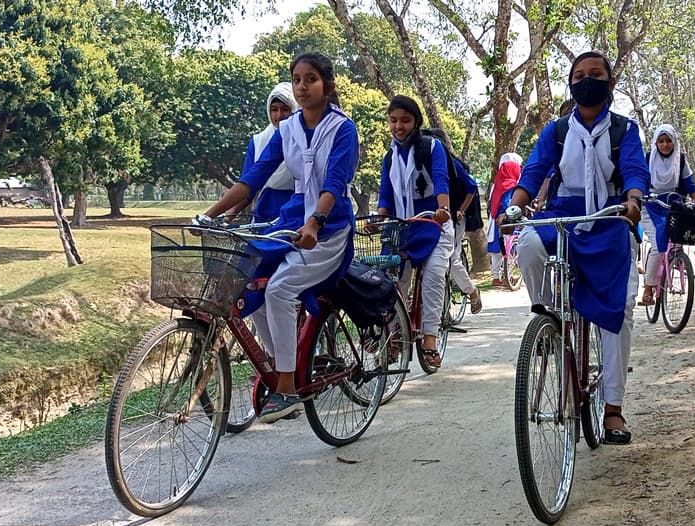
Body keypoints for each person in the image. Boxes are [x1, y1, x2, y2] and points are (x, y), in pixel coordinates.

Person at [198, 52, 359, 422]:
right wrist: (207, 215)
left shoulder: (342, 128)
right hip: (290, 220)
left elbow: (335, 182)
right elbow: (252, 179)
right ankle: (279, 361)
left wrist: (315, 223)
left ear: (327, 85)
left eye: (311, 79)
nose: (302, 87)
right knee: (250, 281)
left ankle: (286, 387)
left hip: (329, 228)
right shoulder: (286, 130)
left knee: (279, 290)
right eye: (297, 79)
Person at [505, 51, 649, 445]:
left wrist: (634, 200)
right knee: (529, 242)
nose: (587, 80)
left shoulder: (624, 130)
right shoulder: (555, 131)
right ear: (571, 84)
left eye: (596, 74)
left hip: (610, 217)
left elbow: (636, 170)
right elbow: (533, 171)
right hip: (562, 214)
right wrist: (515, 206)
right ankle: (550, 316)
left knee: (618, 311)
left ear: (610, 82)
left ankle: (613, 409)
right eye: (579, 75)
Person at [377, 96, 453, 370]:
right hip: (402, 225)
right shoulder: (389, 157)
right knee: (390, 279)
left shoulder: (433, 148)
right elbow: (385, 194)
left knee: (433, 277)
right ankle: (394, 334)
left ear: (416, 122)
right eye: (393, 120)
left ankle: (430, 337)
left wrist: (442, 208)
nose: (398, 126)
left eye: (405, 120)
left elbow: (441, 179)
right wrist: (379, 219)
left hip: (434, 222)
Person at [639, 124, 695, 305]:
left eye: (668, 141)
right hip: (650, 206)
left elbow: (691, 186)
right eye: (661, 141)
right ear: (655, 143)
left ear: (674, 142)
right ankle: (648, 287)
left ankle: (675, 261)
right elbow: (638, 182)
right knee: (658, 244)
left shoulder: (681, 161)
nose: (665, 145)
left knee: (678, 240)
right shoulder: (647, 159)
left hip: (674, 207)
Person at [225, 82, 299, 222]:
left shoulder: (302, 142)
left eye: (285, 109)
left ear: (295, 109)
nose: (279, 115)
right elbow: (248, 185)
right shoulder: (258, 141)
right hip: (263, 214)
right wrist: (230, 212)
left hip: (296, 213)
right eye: (274, 109)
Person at [427, 128, 483, 314]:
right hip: (430, 220)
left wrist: (460, 210)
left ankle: (472, 291)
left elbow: (472, 187)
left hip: (453, 219)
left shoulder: (453, 164)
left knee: (451, 260)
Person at [486, 153, 522, 286]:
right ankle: (509, 275)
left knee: (497, 250)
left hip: (495, 218)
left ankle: (496, 277)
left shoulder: (496, 184)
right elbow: (508, 203)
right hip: (507, 218)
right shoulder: (511, 185)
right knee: (510, 247)